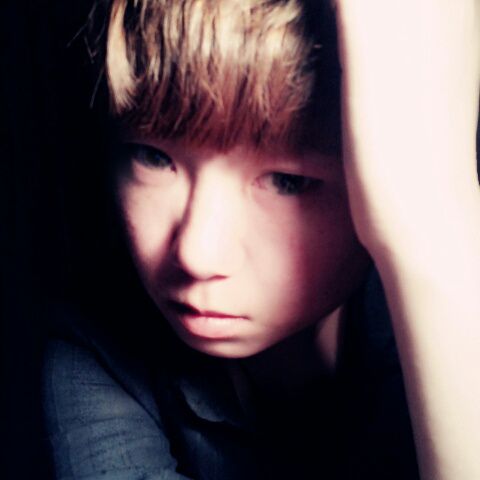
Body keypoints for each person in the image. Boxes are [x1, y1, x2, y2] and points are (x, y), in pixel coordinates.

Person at [42, 0, 480, 479]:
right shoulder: (94, 351)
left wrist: (430, 229)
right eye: (153, 157)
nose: (197, 254)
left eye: (287, 181)